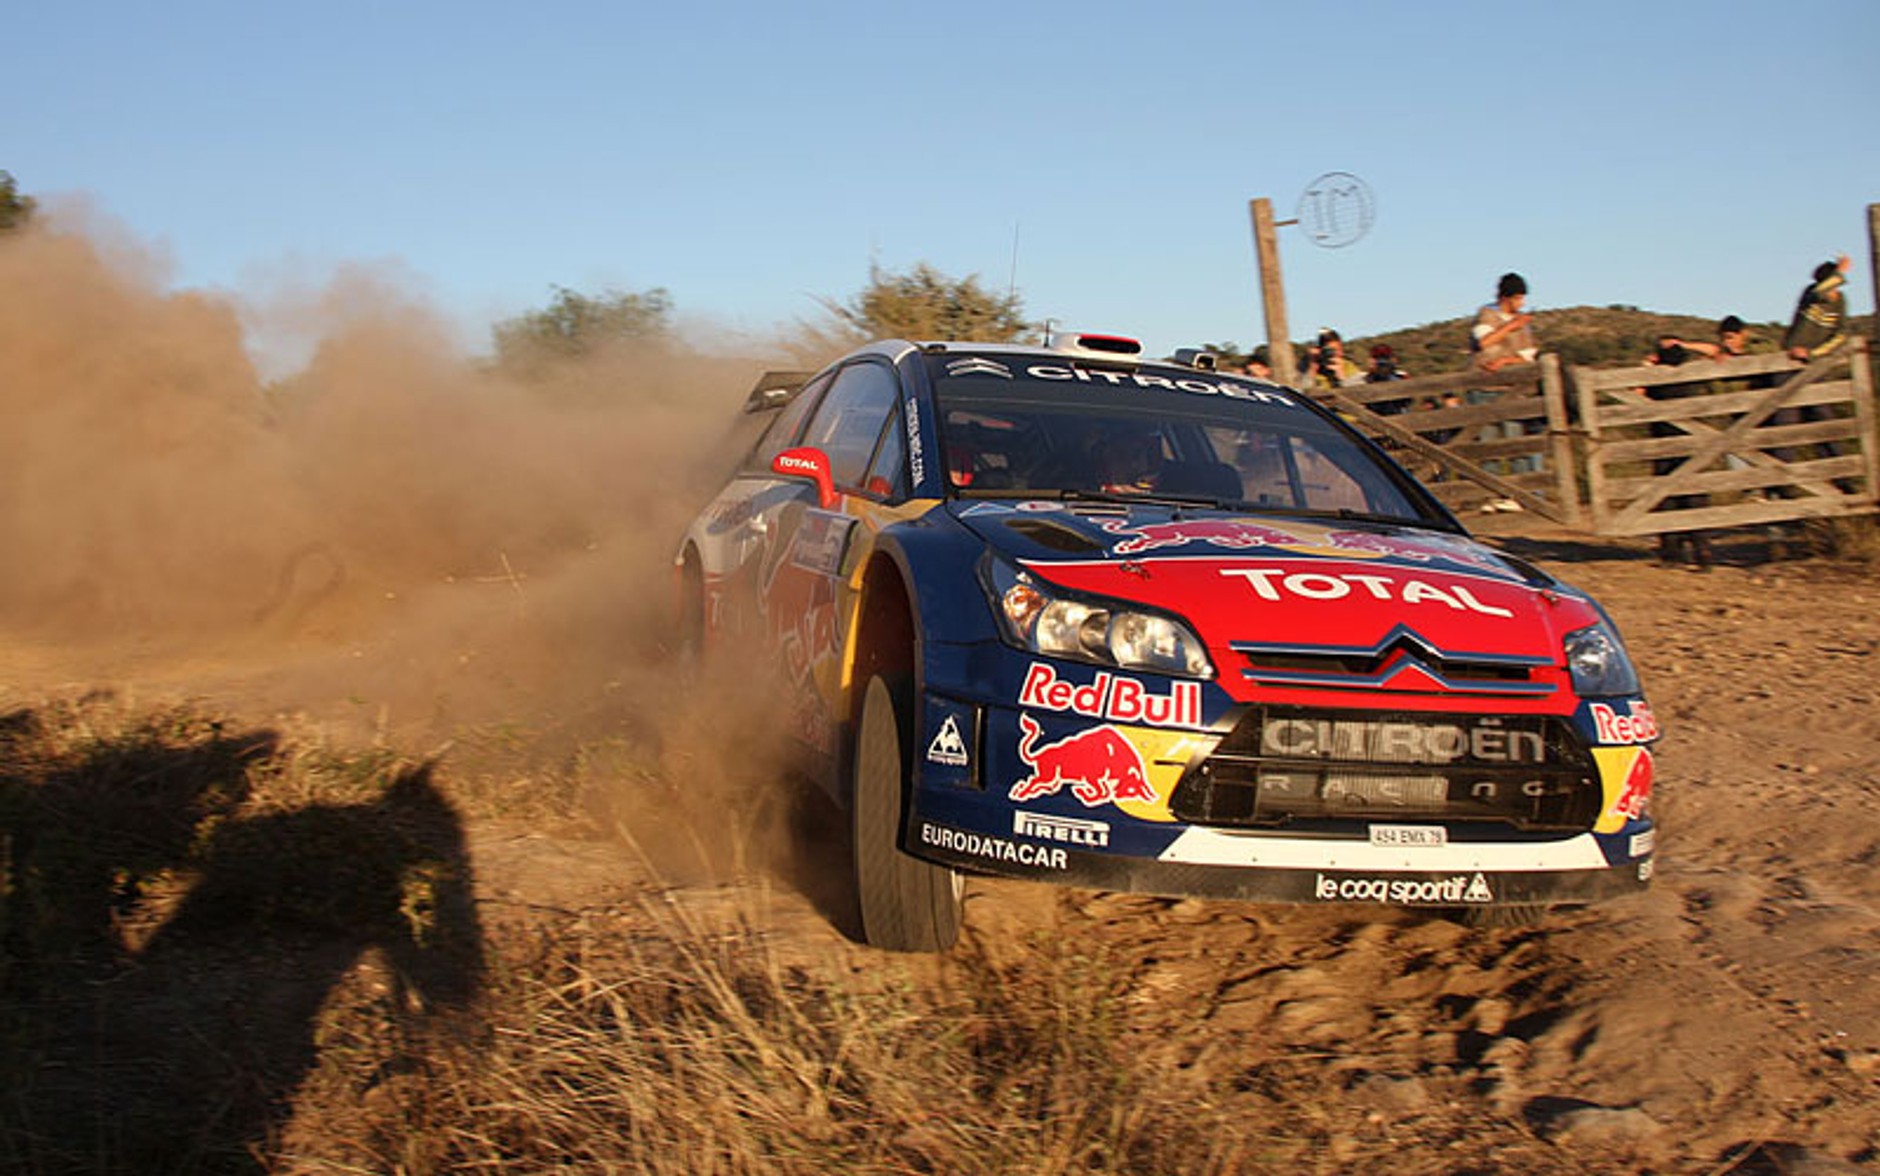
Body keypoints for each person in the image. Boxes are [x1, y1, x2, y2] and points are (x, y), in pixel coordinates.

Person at [1784, 255, 1851, 361]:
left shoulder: (1840, 300)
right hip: (1791, 356)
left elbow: (1841, 333)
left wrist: (1812, 353)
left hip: (1819, 360)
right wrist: (1840, 271)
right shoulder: (1810, 292)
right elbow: (1820, 293)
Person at [1470, 273, 1539, 373]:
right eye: (1517, 298)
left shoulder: (1522, 323)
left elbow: (1528, 357)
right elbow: (1484, 343)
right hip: (1482, 379)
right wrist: (1511, 326)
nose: (1522, 303)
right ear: (1505, 298)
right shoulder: (1486, 315)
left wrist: (1505, 361)